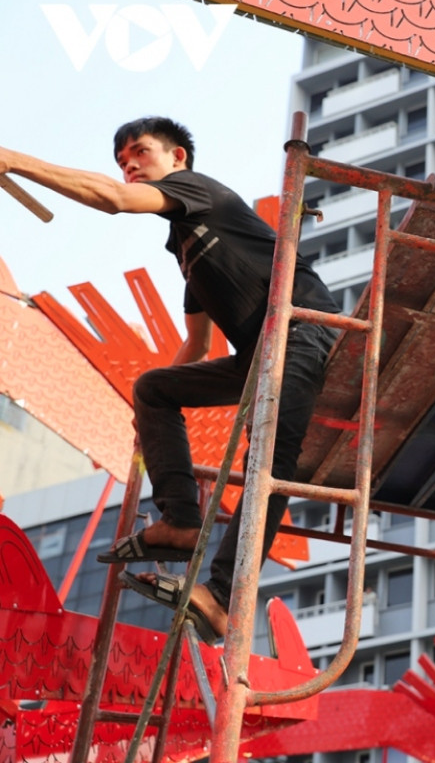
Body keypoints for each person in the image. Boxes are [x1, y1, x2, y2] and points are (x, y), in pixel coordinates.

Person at [0, 117, 340, 643]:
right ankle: (181, 519)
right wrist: (149, 426)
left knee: (268, 459)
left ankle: (224, 597)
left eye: (139, 153)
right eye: (122, 161)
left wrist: (14, 160)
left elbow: (113, 199)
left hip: (301, 331)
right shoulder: (186, 246)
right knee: (154, 388)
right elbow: (198, 346)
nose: (130, 166)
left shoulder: (198, 192)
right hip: (259, 354)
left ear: (178, 157)